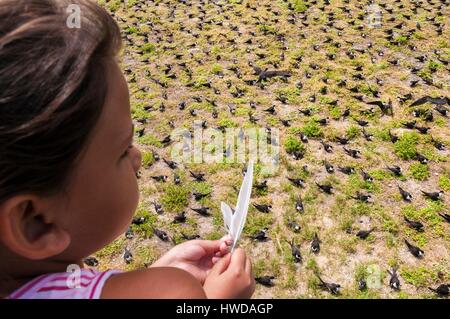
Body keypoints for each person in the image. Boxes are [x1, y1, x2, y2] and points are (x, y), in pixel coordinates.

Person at [0, 0, 255, 299]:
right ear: (35, 222)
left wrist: (146, 279)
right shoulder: (175, 293)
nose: (139, 157)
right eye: (122, 151)